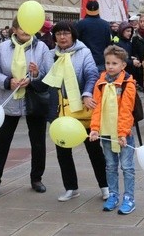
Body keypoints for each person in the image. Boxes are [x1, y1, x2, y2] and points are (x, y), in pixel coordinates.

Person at [42, 21, 108, 202]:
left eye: (66, 33)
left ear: (73, 35)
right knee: (63, 152)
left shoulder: (84, 52)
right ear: (54, 37)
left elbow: (91, 74)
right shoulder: (50, 55)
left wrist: (87, 94)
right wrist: (34, 74)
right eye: (58, 34)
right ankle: (71, 187)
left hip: (81, 109)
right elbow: (44, 80)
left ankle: (105, 186)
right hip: (60, 111)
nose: (62, 37)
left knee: (94, 150)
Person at [0, 17, 50, 199]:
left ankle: (36, 178)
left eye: (29, 26)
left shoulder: (41, 47)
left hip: (34, 101)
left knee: (38, 142)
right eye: (22, 27)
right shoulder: (3, 47)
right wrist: (8, 82)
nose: (26, 30)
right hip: (9, 102)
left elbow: (49, 74)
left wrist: (35, 76)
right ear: (14, 29)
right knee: (2, 142)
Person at [89, 45, 137, 214]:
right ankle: (113, 195)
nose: (110, 66)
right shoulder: (100, 82)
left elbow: (126, 111)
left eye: (114, 63)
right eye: (107, 63)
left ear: (123, 65)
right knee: (110, 166)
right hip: (106, 133)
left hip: (123, 134)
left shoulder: (127, 84)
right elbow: (97, 109)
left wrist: (123, 133)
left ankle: (129, 197)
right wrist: (94, 128)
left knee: (127, 167)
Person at [76, 0, 112, 71]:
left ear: (86, 9)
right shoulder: (106, 25)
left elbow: (76, 43)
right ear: (98, 10)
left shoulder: (80, 24)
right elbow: (109, 44)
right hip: (101, 61)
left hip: (84, 61)